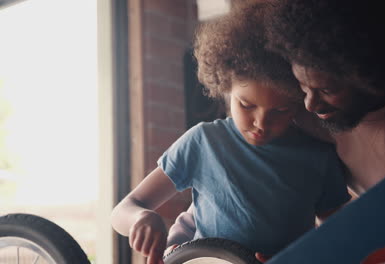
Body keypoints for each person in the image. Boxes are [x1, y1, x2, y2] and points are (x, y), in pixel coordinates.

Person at [167, 0, 385, 257]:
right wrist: (189, 241)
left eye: (326, 90)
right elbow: (231, 181)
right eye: (301, 87)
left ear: (372, 77)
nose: (309, 105)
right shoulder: (291, 104)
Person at [111, 2, 351, 264]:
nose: (261, 123)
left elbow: (337, 239)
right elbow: (124, 209)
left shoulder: (319, 157)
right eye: (246, 105)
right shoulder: (203, 142)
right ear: (225, 87)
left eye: (281, 110)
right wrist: (141, 218)